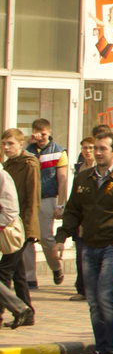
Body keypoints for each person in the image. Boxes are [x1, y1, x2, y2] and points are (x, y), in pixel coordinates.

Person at [58, 132, 113, 354]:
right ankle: (101, 348)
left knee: (105, 295)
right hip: (89, 245)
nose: (97, 153)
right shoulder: (84, 177)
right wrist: (61, 237)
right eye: (95, 148)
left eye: (102, 148)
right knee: (94, 300)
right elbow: (73, 210)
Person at [0, 130, 39, 313]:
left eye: (10, 143)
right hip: (9, 225)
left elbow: (33, 198)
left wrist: (31, 230)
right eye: (4, 144)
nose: (6, 147)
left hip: (17, 226)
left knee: (4, 272)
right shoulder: (7, 165)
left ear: (20, 144)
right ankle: (26, 311)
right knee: (18, 274)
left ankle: (4, 313)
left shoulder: (29, 164)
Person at [26, 119, 68, 286]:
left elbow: (63, 180)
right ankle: (30, 277)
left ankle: (56, 267)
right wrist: (27, 142)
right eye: (37, 134)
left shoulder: (58, 151)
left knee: (45, 237)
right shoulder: (27, 150)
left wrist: (60, 204)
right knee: (28, 238)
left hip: (47, 198)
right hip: (29, 200)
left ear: (49, 132)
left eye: (44, 134)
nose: (41, 137)